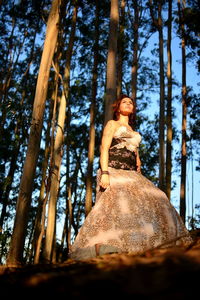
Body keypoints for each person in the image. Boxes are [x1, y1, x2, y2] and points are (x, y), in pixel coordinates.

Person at [69, 94, 192, 260]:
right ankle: (106, 245)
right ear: (118, 107)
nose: (128, 104)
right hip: (113, 170)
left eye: (131, 103)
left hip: (132, 173)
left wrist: (138, 164)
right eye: (124, 102)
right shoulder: (112, 124)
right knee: (115, 205)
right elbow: (104, 148)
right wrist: (104, 173)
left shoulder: (133, 131)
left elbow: (136, 154)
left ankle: (161, 243)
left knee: (158, 197)